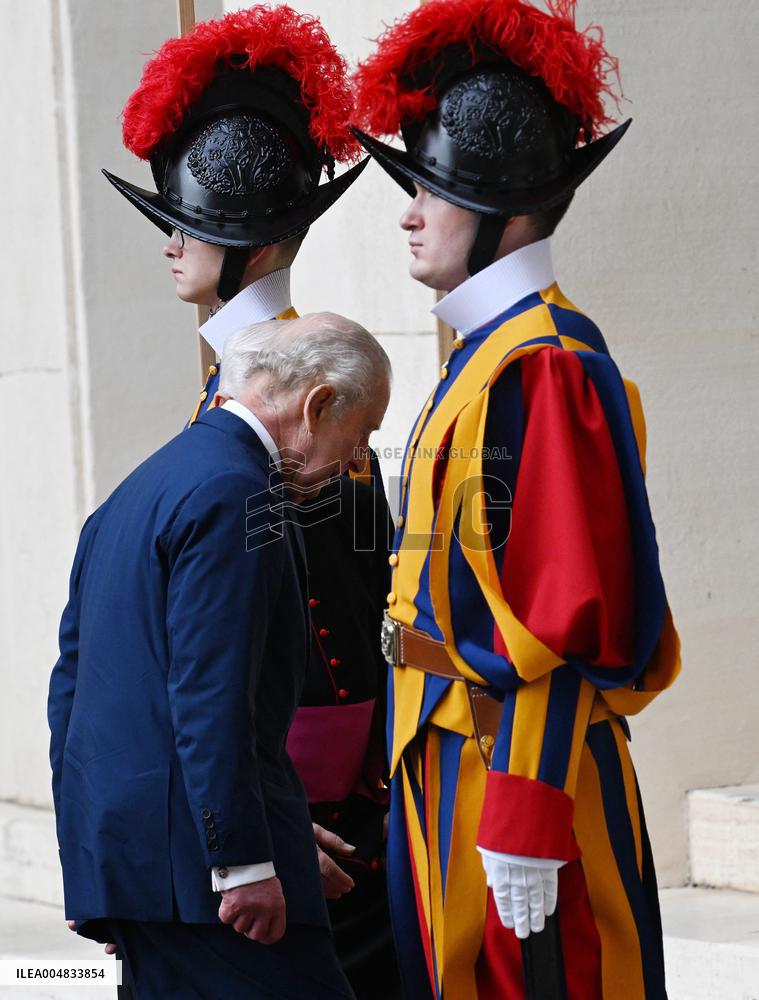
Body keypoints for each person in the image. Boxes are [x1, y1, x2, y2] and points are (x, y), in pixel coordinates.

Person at [352, 1, 681, 997]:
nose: (408, 210)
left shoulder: (543, 365)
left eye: (433, 187)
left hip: (510, 772)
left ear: (506, 205)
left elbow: (570, 613)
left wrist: (529, 810)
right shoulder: (492, 354)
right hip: (447, 758)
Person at [102, 10, 400, 996]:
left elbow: (349, 625)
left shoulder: (293, 400)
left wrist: (262, 821)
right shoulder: (253, 386)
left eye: (190, 220)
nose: (169, 242)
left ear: (257, 239)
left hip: (310, 827)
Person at [48, 313, 392, 1000]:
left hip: (147, 871)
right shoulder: (239, 493)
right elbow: (211, 698)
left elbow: (73, 694)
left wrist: (105, 872)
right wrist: (242, 861)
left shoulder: (144, 483)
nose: (358, 458)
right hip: (212, 884)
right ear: (319, 403)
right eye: (363, 433)